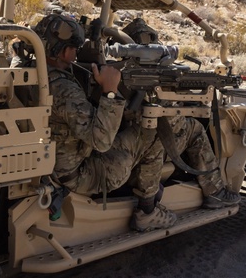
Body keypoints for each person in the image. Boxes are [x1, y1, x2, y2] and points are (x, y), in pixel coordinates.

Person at [35, 12, 177, 232]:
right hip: (79, 175)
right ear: (62, 51)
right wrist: (110, 92)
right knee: (152, 133)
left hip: (52, 162)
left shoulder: (32, 69)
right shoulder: (64, 90)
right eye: (73, 49)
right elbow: (101, 142)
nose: (76, 55)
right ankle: (147, 211)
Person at [122, 17, 243, 209]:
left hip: (125, 144)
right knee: (194, 129)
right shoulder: (146, 72)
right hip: (146, 143)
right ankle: (215, 192)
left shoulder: (114, 69)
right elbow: (173, 120)